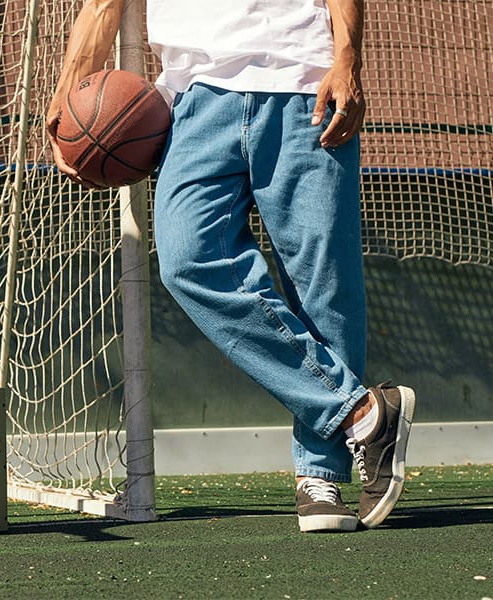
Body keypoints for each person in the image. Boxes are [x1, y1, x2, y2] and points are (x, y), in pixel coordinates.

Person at [46, 0, 416, 532]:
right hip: (193, 99)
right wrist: (70, 86)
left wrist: (347, 60)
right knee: (187, 260)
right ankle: (360, 414)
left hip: (304, 81)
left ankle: (320, 474)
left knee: (322, 283)